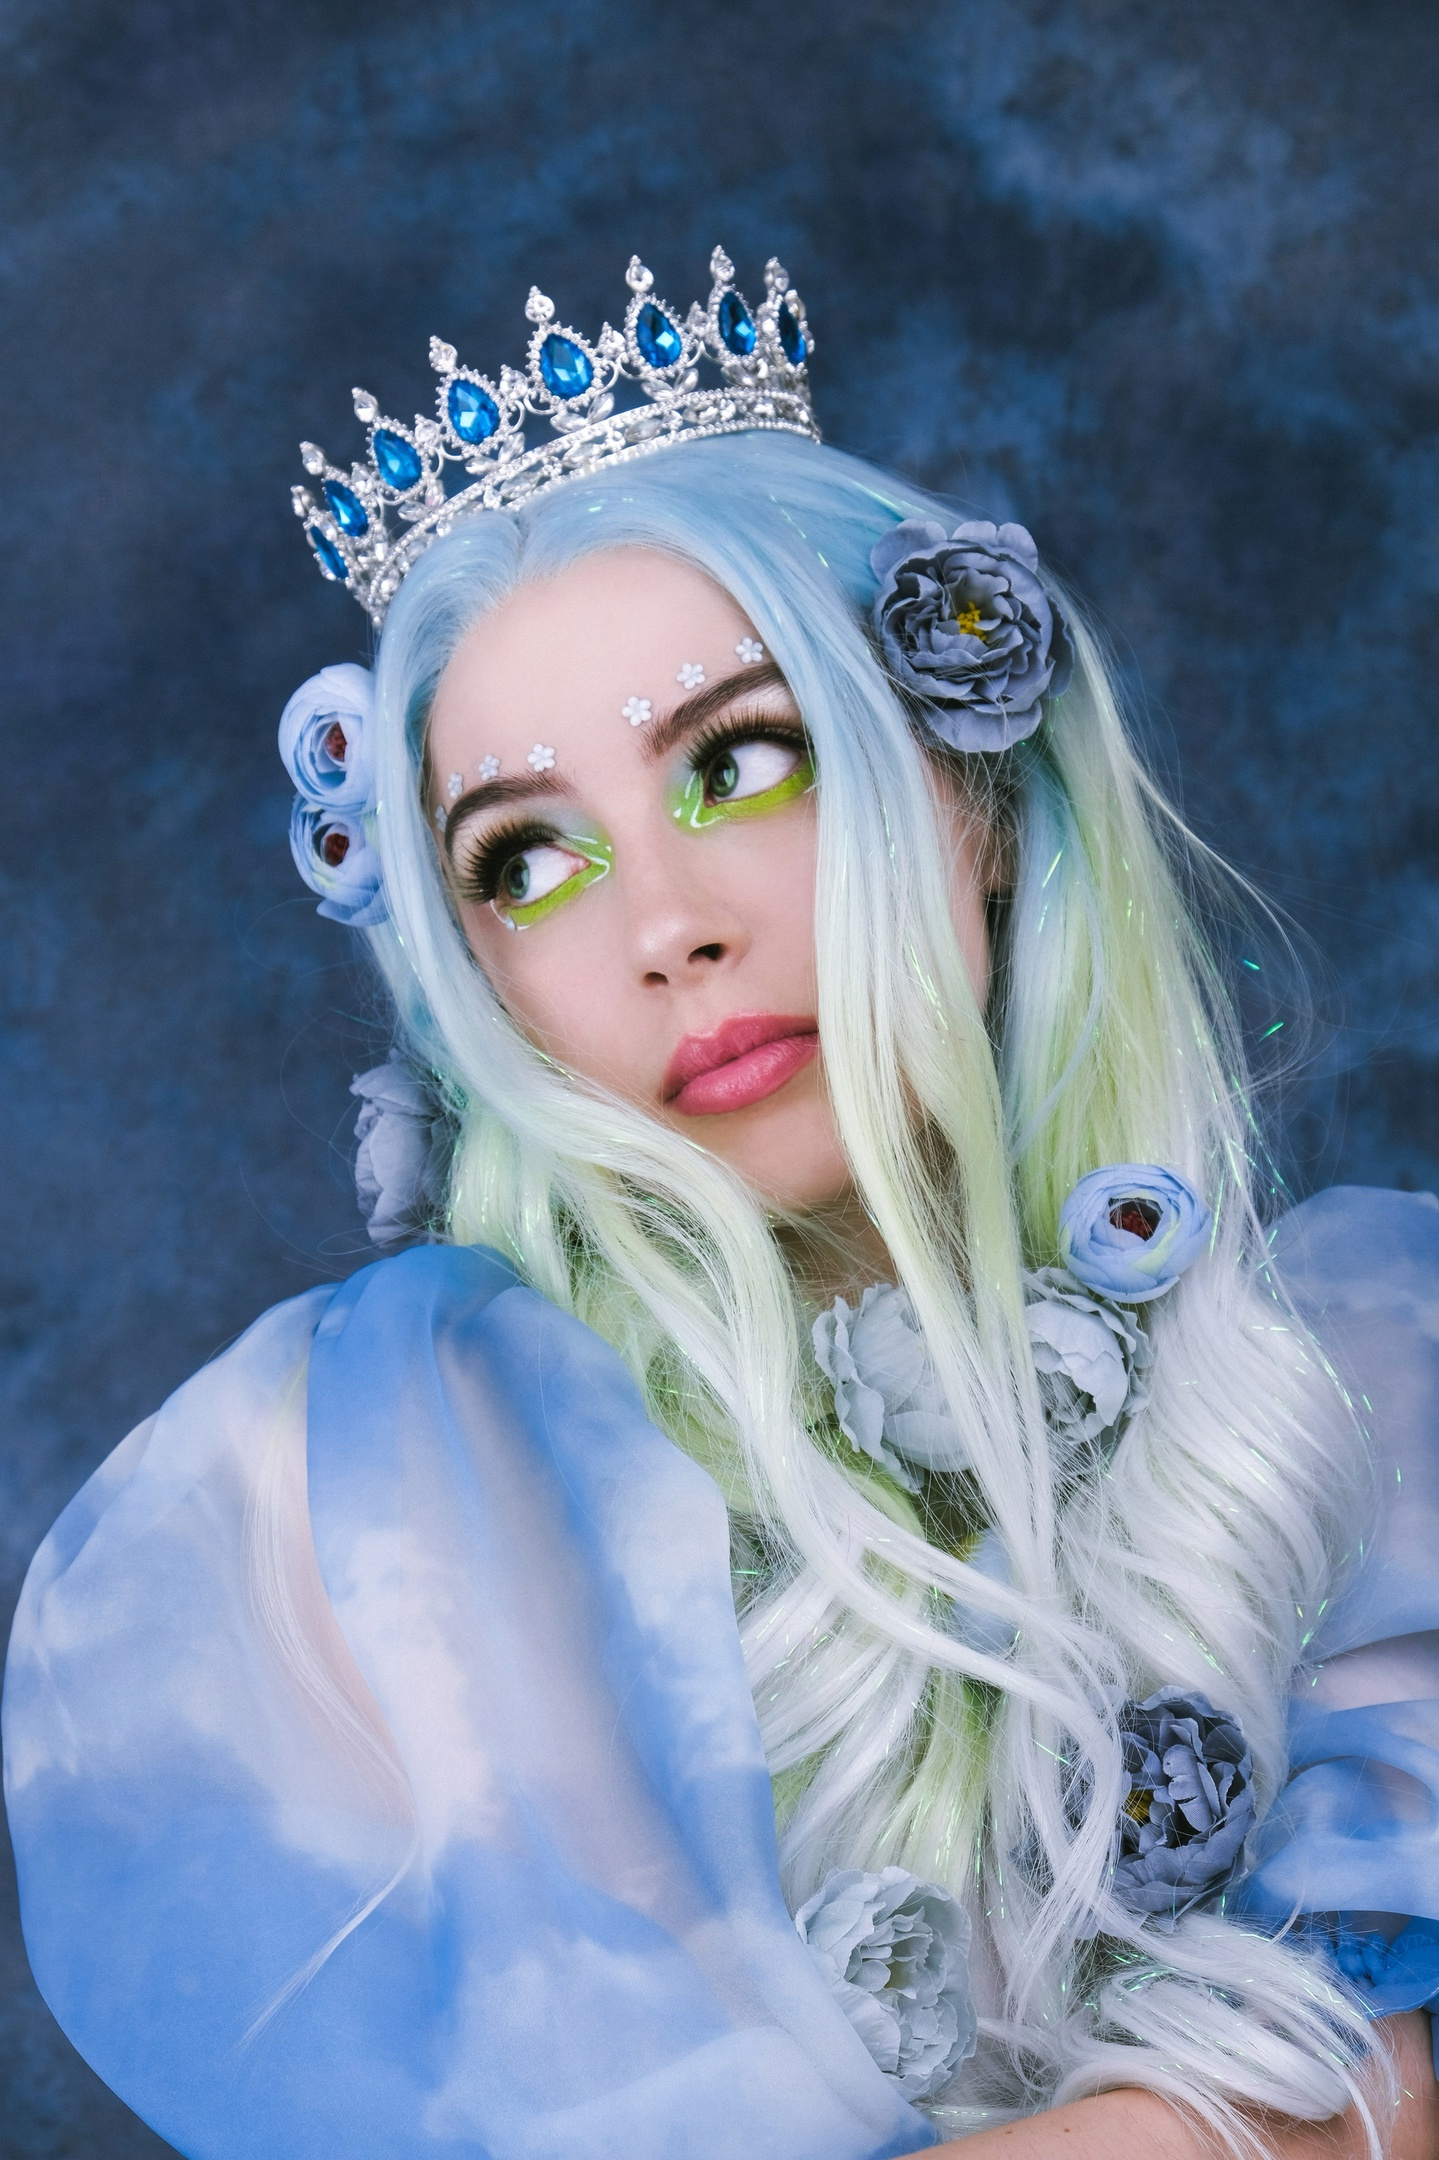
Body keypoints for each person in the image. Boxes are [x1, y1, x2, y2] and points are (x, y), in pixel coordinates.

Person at [5, 250, 1439, 2160]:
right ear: (475, 983)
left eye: (739, 764)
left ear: (975, 796)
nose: (664, 929)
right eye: (525, 863)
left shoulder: (1359, 1381)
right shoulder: (404, 1511)